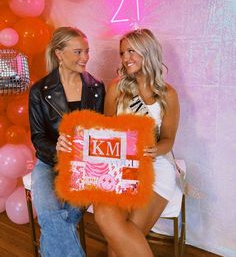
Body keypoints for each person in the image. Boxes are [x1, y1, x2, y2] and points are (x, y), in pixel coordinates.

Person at [94, 28, 180, 257]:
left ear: (148, 51)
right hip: (121, 167)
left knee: (119, 245)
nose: (125, 58)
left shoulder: (168, 94)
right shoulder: (117, 88)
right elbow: (106, 131)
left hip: (154, 167)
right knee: (103, 214)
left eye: (132, 51)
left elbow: (169, 140)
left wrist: (152, 149)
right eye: (123, 53)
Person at [29, 26, 105, 257]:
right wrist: (56, 148)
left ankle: (48, 250)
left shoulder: (96, 88)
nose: (85, 58)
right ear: (59, 54)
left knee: (59, 218)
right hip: (48, 163)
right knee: (53, 214)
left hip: (85, 167)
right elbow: (38, 137)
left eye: (86, 51)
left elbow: (101, 131)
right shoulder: (39, 91)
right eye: (78, 52)